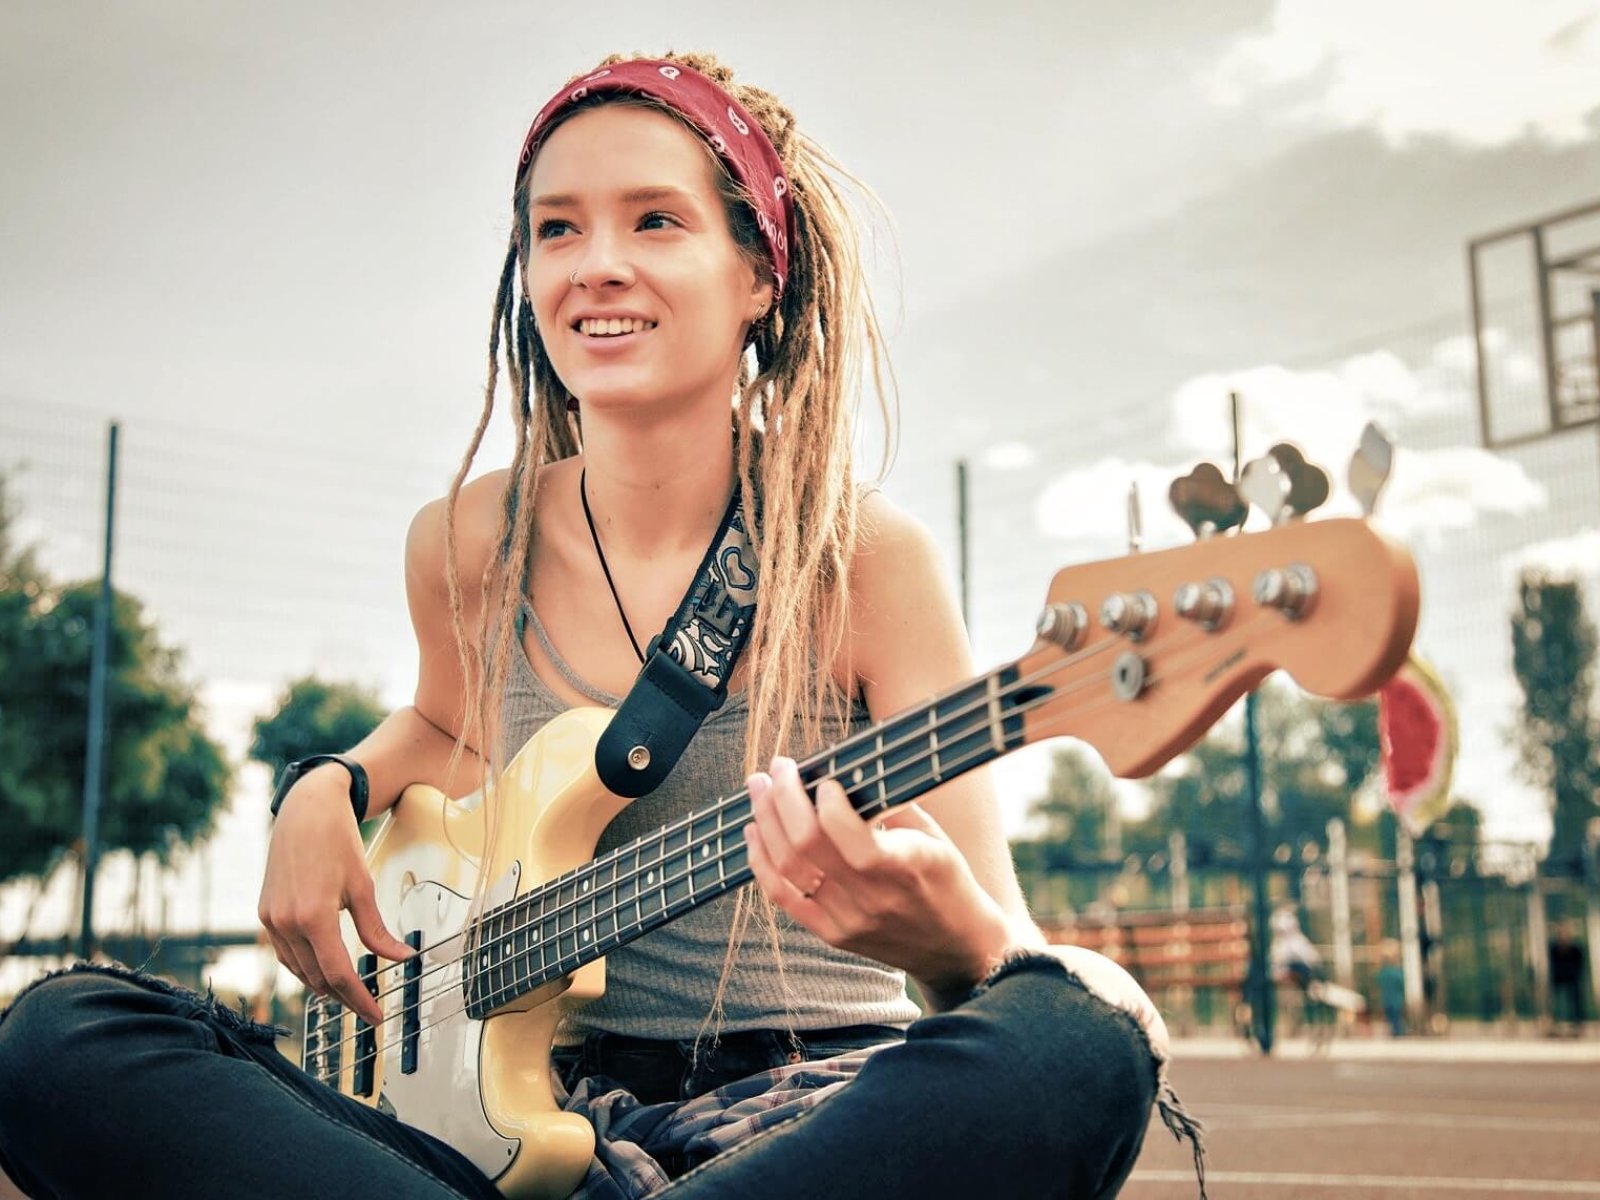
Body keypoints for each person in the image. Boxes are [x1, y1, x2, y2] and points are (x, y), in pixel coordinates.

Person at [0, 52, 1199, 1200]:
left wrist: (945, 948)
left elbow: (1000, 950)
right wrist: (325, 786)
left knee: (1073, 1034)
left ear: (760, 276)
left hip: (811, 1115)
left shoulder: (861, 559)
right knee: (58, 1035)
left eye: (656, 221)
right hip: (495, 1123)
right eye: (556, 228)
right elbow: (446, 730)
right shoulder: (469, 539)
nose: (596, 264)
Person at [1549, 921, 1587, 1035]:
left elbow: (1580, 964)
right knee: (1556, 999)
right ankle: (1555, 1022)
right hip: (1558, 979)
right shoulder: (1553, 949)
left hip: (1572, 979)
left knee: (1576, 998)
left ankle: (1577, 1022)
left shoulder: (1576, 949)